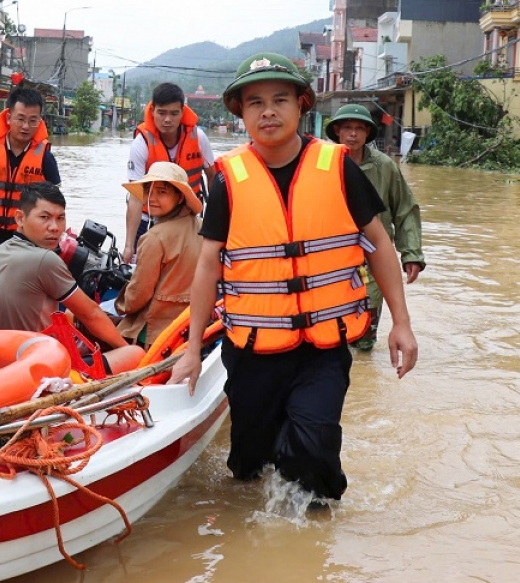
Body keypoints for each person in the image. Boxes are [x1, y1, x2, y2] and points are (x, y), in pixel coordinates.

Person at [169, 52, 418, 505]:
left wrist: (401, 322)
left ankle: (312, 551)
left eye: (280, 99)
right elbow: (208, 266)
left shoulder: (338, 166)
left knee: (313, 449)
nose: (268, 111)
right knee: (248, 466)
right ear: (240, 113)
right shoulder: (227, 179)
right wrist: (190, 350)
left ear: (302, 105)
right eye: (255, 102)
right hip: (252, 350)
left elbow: (380, 243)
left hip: (322, 350)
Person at [0, 182, 145, 373]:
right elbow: (90, 313)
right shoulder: (45, 260)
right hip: (32, 366)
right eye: (44, 218)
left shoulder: (1, 249)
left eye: (60, 218)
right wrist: (123, 348)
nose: (54, 227)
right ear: (20, 218)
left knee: (70, 315)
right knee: (135, 353)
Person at [326, 104, 425, 352]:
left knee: (364, 338)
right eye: (347, 128)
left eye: (359, 129)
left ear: (367, 134)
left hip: (372, 258)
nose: (353, 134)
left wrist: (411, 254)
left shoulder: (385, 167)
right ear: (337, 131)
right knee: (330, 336)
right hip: (330, 260)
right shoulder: (321, 166)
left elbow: (405, 209)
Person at [114, 162, 203, 348]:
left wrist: (120, 304)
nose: (152, 199)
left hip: (154, 333)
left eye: (162, 192)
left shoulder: (154, 238)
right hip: (190, 328)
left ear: (180, 197)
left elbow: (137, 298)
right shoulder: (202, 227)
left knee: (85, 318)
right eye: (149, 191)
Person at [124, 82, 215, 262]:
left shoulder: (198, 137)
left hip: (187, 218)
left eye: (174, 113)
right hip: (149, 218)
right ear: (152, 112)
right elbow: (135, 197)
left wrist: (214, 226)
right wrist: (128, 246)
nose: (168, 119)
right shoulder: (141, 143)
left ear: (182, 112)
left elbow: (213, 178)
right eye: (162, 113)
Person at [0, 87, 61, 255]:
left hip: (26, 240)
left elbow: (56, 206)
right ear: (8, 117)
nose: (26, 126)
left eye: (33, 120)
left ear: (40, 122)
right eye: (20, 119)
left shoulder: (45, 159)